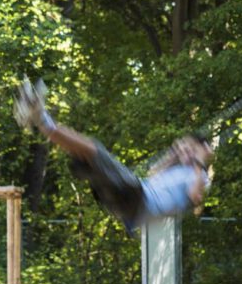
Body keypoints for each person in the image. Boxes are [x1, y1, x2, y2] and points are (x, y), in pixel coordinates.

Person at [14, 78, 212, 236]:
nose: (187, 152)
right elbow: (152, 174)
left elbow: (195, 199)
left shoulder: (200, 176)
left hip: (139, 200)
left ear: (201, 151)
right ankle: (40, 118)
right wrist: (173, 155)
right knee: (86, 153)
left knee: (94, 150)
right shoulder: (179, 170)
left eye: (191, 149)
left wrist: (199, 161)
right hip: (128, 200)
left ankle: (41, 119)